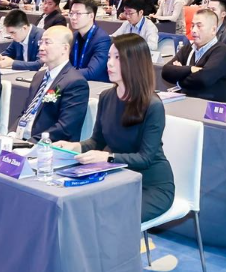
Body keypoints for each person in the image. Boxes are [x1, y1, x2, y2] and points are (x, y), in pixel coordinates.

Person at [56, 34, 175, 223]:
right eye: (109, 57)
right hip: (117, 178)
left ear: (135, 62)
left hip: (151, 185)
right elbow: (97, 141)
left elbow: (145, 158)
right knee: (81, 209)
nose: (109, 63)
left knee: (109, 219)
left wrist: (107, 157)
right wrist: (74, 146)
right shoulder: (106, 97)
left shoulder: (153, 105)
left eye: (117, 58)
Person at [15, 26, 90, 142]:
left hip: (47, 145)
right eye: (41, 42)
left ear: (65, 48)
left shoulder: (75, 82)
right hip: (22, 139)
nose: (41, 48)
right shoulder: (39, 76)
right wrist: (12, 133)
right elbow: (25, 112)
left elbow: (65, 128)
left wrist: (30, 143)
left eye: (47, 43)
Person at [161, 8, 226, 102]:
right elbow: (166, 71)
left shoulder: (222, 51)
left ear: (213, 30)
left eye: (199, 26)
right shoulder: (187, 49)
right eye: (192, 25)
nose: (193, 30)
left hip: (213, 107)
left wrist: (179, 75)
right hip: (189, 103)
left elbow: (203, 79)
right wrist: (191, 69)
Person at [67, 0, 112, 82]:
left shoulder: (102, 39)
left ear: (91, 16)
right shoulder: (74, 36)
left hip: (96, 84)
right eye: (71, 13)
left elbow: (92, 72)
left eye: (78, 14)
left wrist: (65, 73)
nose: (73, 17)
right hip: (76, 81)